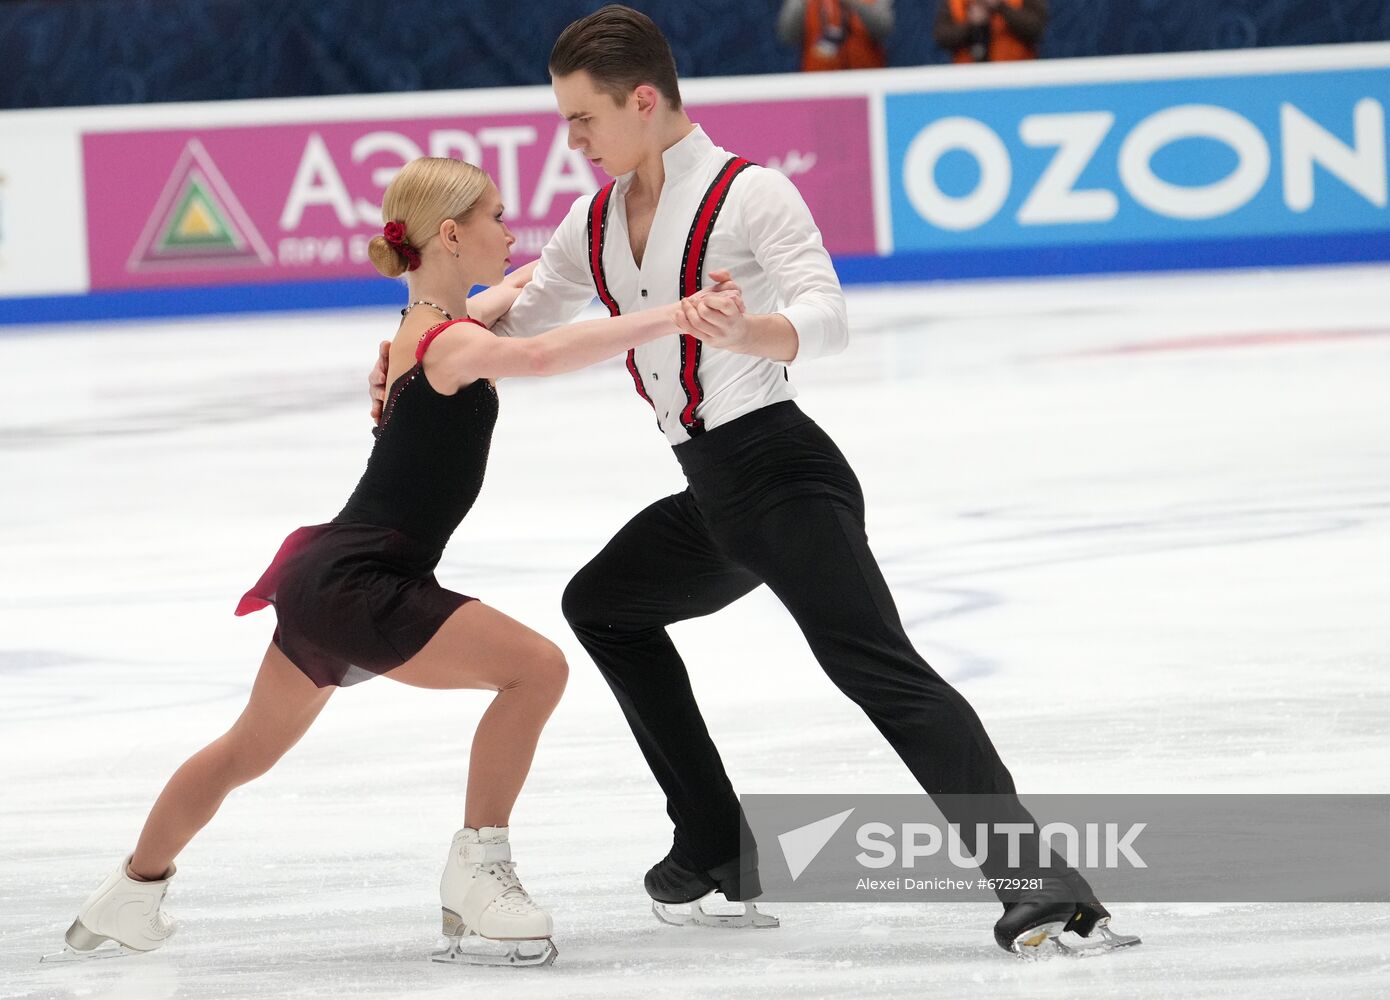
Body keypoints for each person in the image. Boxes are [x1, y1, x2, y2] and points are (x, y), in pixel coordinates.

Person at [370, 4, 1136, 958]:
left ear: (642, 101)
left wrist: (751, 333)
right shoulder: (595, 221)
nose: (572, 141)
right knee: (606, 605)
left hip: (782, 470)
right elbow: (521, 312)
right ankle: (714, 845)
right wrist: (421, 335)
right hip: (715, 493)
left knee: (879, 670)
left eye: (584, 119)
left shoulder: (751, 193)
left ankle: (1050, 891)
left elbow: (827, 313)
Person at [47, 155, 740, 969]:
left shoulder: (428, 326)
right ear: (450, 234)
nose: (507, 229)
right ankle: (479, 872)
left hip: (330, 574)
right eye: (494, 217)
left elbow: (522, 289)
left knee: (246, 750)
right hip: (366, 581)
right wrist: (679, 317)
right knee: (537, 670)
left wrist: (597, 237)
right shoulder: (446, 345)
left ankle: (132, 891)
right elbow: (546, 354)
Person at [777, 0, 895, 72]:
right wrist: (800, 3)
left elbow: (883, 30)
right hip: (818, 84)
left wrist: (855, 4)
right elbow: (788, 36)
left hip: (867, 82)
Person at [934, 0, 1047, 63]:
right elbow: (942, 37)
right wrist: (971, 24)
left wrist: (1000, 6)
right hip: (968, 81)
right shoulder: (954, 2)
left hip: (1016, 78)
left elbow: (1036, 28)